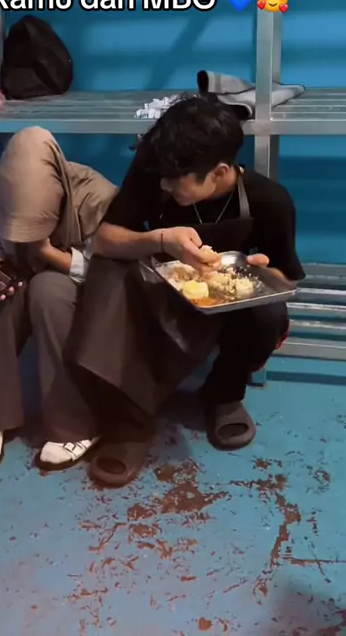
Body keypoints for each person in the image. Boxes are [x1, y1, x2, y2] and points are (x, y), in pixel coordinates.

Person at [61, 94, 305, 488]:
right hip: (155, 291)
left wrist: (260, 273)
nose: (165, 184)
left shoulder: (269, 200)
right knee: (108, 274)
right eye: (162, 176)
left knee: (268, 314)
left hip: (222, 306)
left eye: (177, 180)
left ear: (220, 171)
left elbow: (287, 276)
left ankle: (223, 395)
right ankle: (130, 423)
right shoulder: (156, 172)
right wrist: (160, 239)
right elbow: (105, 240)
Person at [0, 126, 117, 471]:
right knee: (0, 296)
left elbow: (107, 273)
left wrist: (45, 251)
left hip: (76, 282)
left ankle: (75, 424)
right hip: (20, 270)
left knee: (48, 292)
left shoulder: (98, 197)